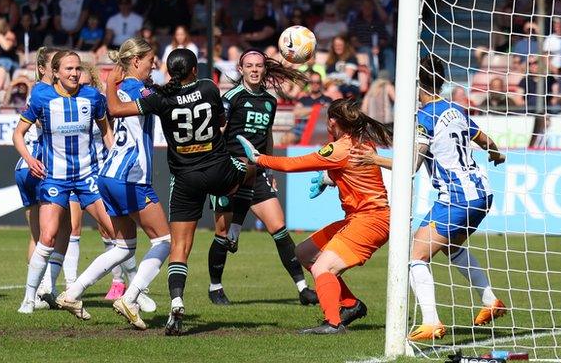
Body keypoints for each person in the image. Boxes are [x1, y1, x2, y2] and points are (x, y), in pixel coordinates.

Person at [353, 55, 507, 341]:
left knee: (416, 255)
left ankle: (431, 322)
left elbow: (410, 165)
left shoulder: (424, 119)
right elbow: (484, 140)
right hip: (483, 194)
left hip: (457, 198)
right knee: (452, 247)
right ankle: (490, 301)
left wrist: (376, 159)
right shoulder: (456, 109)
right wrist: (497, 154)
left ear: (416, 84)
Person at [104, 48, 253, 335]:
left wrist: (111, 84)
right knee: (253, 169)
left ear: (170, 72)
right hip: (218, 170)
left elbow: (116, 110)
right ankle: (233, 228)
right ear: (195, 70)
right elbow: (221, 123)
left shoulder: (160, 98)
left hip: (185, 179)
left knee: (180, 247)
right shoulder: (209, 87)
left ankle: (176, 302)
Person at [235, 97, 391, 334]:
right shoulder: (362, 142)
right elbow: (353, 172)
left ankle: (333, 323)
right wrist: (328, 178)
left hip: (370, 220)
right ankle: (350, 305)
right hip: (363, 217)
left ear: (332, 122)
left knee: (322, 268)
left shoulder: (339, 149)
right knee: (304, 253)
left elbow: (294, 164)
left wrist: (259, 159)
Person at [56, 40, 166, 330]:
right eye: (151, 60)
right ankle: (130, 298)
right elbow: (125, 106)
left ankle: (73, 292)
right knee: (164, 241)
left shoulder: (126, 87)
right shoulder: (138, 90)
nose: (154, 65)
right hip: (130, 176)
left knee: (123, 247)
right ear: (137, 61)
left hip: (107, 174)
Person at [207, 50, 318, 307]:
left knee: (279, 227)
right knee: (221, 233)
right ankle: (215, 286)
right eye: (249, 66)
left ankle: (302, 288)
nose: (255, 70)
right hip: (228, 171)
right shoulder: (231, 98)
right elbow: (218, 133)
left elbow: (267, 136)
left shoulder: (270, 101)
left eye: (258, 66)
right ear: (241, 69)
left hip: (257, 172)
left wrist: (270, 167)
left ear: (264, 69)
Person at [14, 50, 116, 319]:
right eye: (68, 69)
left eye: (77, 68)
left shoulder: (92, 96)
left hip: (87, 176)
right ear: (56, 72)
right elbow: (18, 134)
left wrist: (114, 158)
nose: (74, 73)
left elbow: (106, 130)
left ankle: (131, 293)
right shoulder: (41, 96)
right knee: (47, 237)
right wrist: (29, 158)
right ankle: (29, 297)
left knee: (115, 232)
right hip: (54, 177)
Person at [13, 47, 73, 313]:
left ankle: (39, 290)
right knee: (60, 229)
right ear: (43, 69)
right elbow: (41, 125)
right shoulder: (43, 92)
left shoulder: (41, 91)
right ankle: (43, 288)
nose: (61, 68)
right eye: (55, 64)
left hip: (26, 166)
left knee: (40, 235)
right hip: (40, 165)